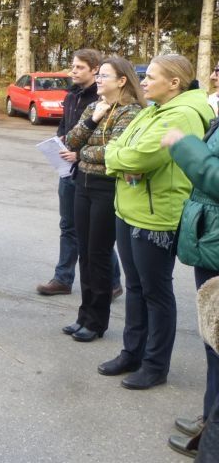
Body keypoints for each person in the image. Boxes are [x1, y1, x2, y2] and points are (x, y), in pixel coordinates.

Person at [101, 54, 214, 390]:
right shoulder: (153, 109)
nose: (144, 82)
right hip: (129, 208)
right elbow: (116, 145)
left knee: (155, 292)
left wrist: (119, 159)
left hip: (157, 216)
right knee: (135, 288)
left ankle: (155, 365)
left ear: (174, 82)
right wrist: (119, 158)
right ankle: (132, 353)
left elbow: (142, 157)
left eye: (151, 77)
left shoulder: (184, 113)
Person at [61, 57, 143, 342]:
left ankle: (97, 321)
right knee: (84, 252)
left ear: (122, 80)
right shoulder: (95, 106)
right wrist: (93, 119)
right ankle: (84, 315)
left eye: (104, 76)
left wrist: (80, 154)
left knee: (98, 254)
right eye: (99, 75)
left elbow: (111, 153)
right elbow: (70, 140)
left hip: (107, 187)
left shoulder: (131, 112)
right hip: (82, 183)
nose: (98, 79)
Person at [36, 49, 123, 298]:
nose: (73, 71)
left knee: (95, 233)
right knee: (68, 226)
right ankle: (63, 279)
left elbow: (104, 139)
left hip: (91, 172)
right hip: (67, 170)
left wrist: (78, 153)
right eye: (72, 66)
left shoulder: (102, 99)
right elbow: (65, 128)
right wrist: (60, 141)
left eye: (79, 67)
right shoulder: (71, 95)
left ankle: (112, 282)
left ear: (95, 70)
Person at [162, 116, 219, 457]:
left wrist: (184, 147)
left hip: (215, 242)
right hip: (209, 239)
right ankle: (210, 419)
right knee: (213, 340)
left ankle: (212, 439)